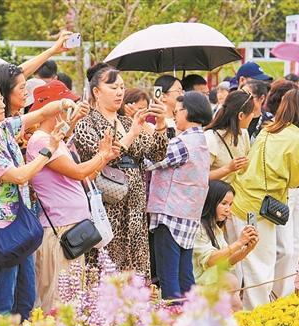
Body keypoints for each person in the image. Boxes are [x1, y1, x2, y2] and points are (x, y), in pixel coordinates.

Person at [0, 76, 74, 319]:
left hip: (20, 224)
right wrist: (49, 149)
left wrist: (63, 104)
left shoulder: (3, 128)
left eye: (1, 99)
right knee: (2, 304)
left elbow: (39, 114)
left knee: (25, 299)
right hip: (0, 230)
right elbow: (20, 176)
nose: (3, 104)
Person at [27, 80, 120, 310]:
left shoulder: (56, 141)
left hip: (70, 227)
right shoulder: (40, 141)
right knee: (57, 301)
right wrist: (101, 155)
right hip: (58, 230)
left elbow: (83, 177)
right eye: (67, 106)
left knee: (72, 298)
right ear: (53, 108)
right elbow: (78, 172)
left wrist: (104, 157)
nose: (70, 111)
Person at [74, 63, 168, 277]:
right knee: (106, 267)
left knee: (136, 269)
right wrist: (133, 134)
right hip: (107, 205)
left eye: (122, 88)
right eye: (113, 87)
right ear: (96, 92)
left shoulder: (127, 121)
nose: (119, 92)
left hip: (134, 204)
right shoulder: (86, 124)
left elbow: (157, 153)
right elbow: (103, 156)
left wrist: (161, 122)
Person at [230, 89, 299, 309]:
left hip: (242, 199)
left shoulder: (268, 130)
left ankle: (246, 311)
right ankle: (256, 315)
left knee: (246, 262)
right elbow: (297, 179)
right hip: (260, 207)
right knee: (260, 265)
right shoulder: (297, 139)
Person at [146, 92, 212, 300]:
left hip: (170, 215)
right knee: (185, 275)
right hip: (189, 215)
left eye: (177, 111)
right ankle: (190, 313)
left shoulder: (182, 143)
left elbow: (152, 161)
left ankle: (174, 315)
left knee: (168, 277)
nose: (174, 116)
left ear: (189, 112)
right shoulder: (201, 140)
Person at [192, 180, 257, 294]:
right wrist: (239, 242)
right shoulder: (197, 227)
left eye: (230, 204)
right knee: (230, 281)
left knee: (232, 284)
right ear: (210, 201)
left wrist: (247, 249)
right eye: (224, 203)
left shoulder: (216, 229)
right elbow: (210, 260)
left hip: (208, 282)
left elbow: (226, 262)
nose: (228, 209)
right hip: (195, 286)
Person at [203, 90, 254, 182]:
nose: (253, 115)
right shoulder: (211, 138)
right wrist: (228, 169)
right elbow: (200, 177)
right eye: (251, 112)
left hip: (238, 189)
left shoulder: (244, 133)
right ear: (241, 116)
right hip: (217, 190)